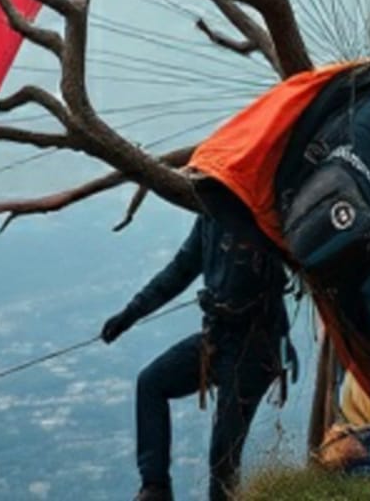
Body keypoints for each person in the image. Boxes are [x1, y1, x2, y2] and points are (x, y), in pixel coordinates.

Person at [101, 186, 292, 501]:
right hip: (218, 338)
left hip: (254, 349)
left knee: (223, 459)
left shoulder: (261, 216)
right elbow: (180, 270)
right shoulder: (210, 216)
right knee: (151, 383)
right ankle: (156, 489)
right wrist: (130, 313)